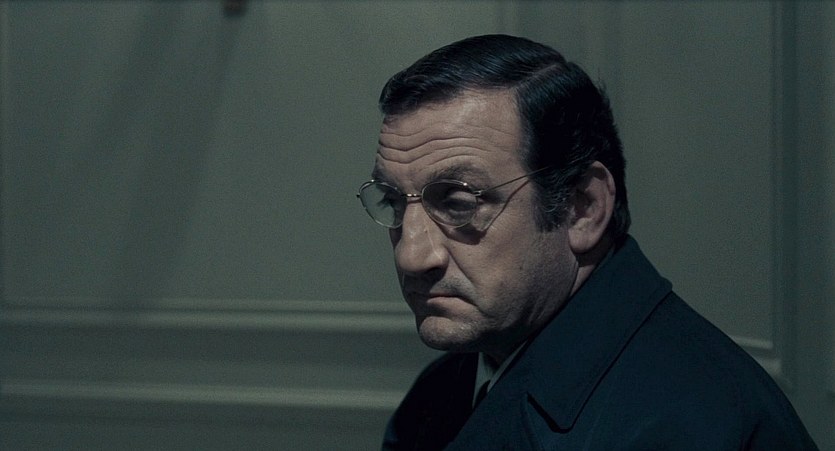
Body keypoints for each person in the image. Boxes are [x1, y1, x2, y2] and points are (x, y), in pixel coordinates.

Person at [356, 34, 818, 450]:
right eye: (393, 201)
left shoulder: (690, 423)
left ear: (583, 208)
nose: (412, 256)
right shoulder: (444, 391)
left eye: (458, 202)